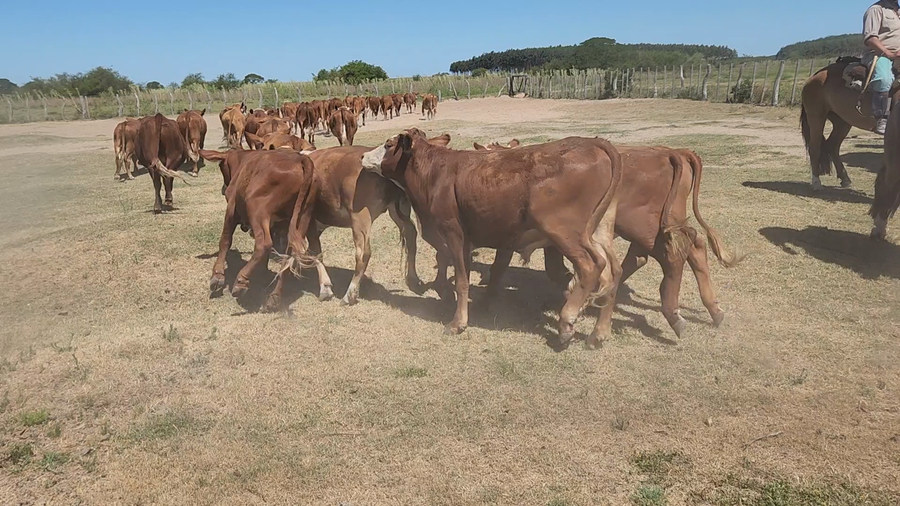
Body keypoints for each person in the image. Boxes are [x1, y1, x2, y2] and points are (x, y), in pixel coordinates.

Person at [864, 0, 900, 135]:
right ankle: (881, 118)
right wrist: (889, 53)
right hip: (880, 54)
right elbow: (870, 38)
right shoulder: (876, 10)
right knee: (884, 79)